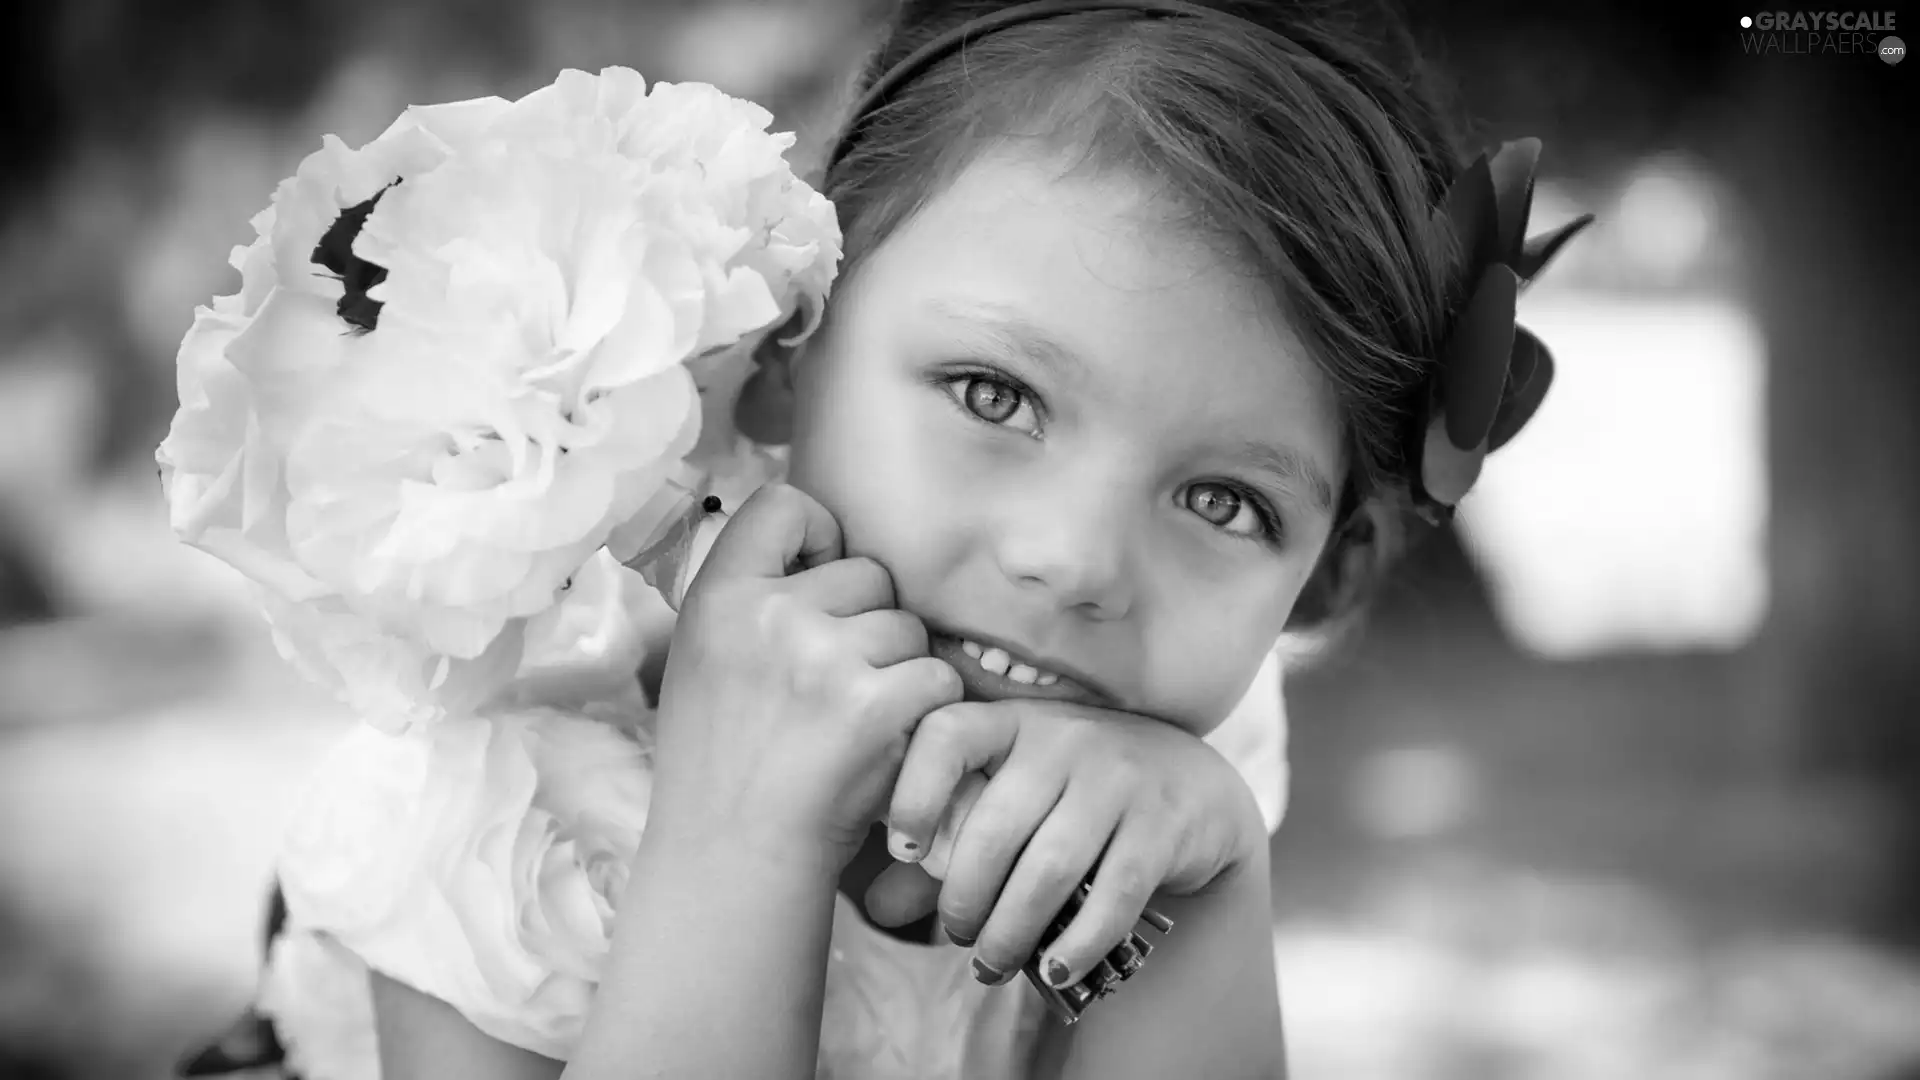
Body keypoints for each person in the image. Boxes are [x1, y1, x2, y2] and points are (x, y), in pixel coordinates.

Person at [181, 1, 1583, 1078]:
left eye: (1225, 502)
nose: (1076, 561)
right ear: (788, 345)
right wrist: (741, 840)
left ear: (1319, 576)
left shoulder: (1179, 778)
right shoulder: (507, 809)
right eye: (996, 395)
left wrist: (1212, 893)